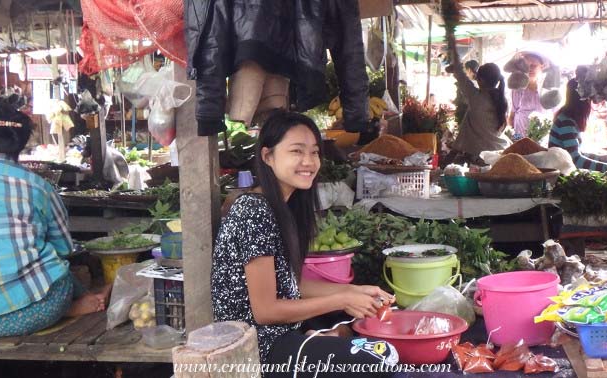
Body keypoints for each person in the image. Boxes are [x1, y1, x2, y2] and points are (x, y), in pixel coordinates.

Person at [212, 111, 398, 377]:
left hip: (283, 332)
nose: (308, 162)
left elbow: (290, 284)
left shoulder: (281, 209)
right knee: (383, 357)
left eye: (314, 153)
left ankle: (322, 336)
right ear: (267, 156)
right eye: (297, 151)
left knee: (364, 321)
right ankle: (319, 339)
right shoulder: (253, 211)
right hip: (256, 347)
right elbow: (265, 311)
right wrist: (341, 299)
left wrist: (353, 291)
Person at [0, 105, 109, 338]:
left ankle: (73, 304)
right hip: (41, 309)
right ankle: (73, 306)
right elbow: (64, 248)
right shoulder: (38, 186)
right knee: (55, 269)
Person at [444, 28, 509, 165]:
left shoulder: (476, 97)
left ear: (480, 80)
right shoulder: (502, 101)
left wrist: (451, 41)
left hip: (481, 157)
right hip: (499, 153)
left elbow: (461, 76)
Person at [549, 79, 607, 173]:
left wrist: (600, 158)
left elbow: (574, 153)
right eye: (590, 98)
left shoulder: (568, 118)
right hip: (560, 175)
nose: (591, 102)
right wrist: (606, 168)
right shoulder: (566, 122)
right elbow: (576, 160)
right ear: (583, 100)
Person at [508, 53, 547, 140]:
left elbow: (555, 114)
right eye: (526, 66)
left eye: (534, 65)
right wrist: (515, 139)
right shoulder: (517, 88)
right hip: (520, 137)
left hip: (541, 138)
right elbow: (511, 118)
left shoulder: (546, 89)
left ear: (542, 66)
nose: (530, 69)